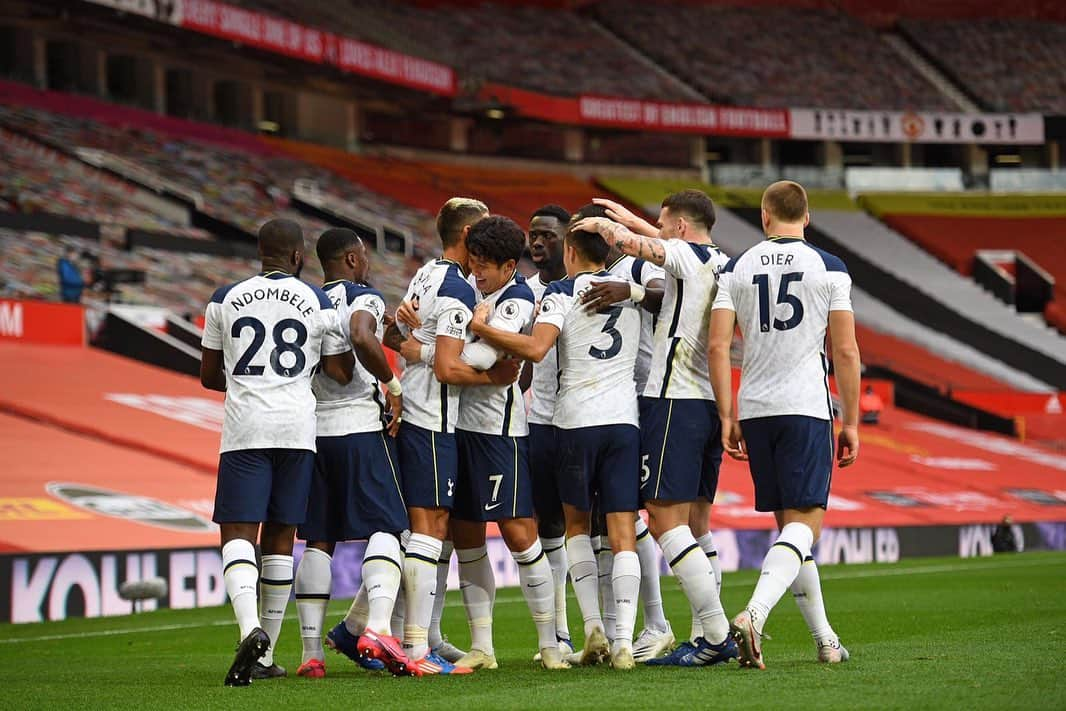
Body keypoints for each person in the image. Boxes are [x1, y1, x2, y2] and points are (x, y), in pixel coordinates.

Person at [469, 204, 643, 670]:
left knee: (576, 528)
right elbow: (669, 289)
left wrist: (482, 327)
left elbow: (537, 348)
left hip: (574, 421)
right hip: (625, 421)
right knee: (623, 532)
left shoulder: (561, 292)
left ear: (569, 250)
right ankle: (625, 641)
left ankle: (591, 628)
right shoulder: (632, 291)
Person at [574, 190, 736, 667]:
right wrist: (636, 219)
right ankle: (705, 633)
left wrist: (596, 227)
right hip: (706, 402)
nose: (660, 233)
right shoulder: (719, 259)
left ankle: (716, 633)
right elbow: (661, 242)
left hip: (674, 400)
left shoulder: (681, 253)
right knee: (697, 526)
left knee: (665, 520)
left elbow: (640, 245)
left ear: (682, 227)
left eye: (666, 224)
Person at [402, 216, 568, 670]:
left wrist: (423, 347)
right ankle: (483, 648)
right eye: (472, 263)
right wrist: (426, 338)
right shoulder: (474, 292)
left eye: (485, 266)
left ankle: (552, 643)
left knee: (519, 534)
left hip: (500, 434)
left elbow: (480, 358)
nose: (476, 272)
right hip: (461, 430)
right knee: (468, 538)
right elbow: (451, 349)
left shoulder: (514, 298)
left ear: (508, 265)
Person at [708, 181, 861, 669]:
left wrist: (728, 414)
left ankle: (826, 641)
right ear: (807, 217)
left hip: (755, 407)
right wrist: (851, 421)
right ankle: (753, 614)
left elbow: (717, 346)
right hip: (805, 406)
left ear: (765, 215)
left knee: (790, 536)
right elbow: (846, 351)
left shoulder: (737, 266)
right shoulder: (829, 268)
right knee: (804, 528)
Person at [199, 218, 354, 687]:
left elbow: (209, 375)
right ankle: (265, 650)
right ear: (298, 256)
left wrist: (252, 382)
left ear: (260, 253)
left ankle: (251, 632)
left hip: (247, 427)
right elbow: (337, 370)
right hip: (298, 428)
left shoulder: (224, 298)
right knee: (282, 537)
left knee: (239, 534)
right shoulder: (318, 298)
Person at [385, 198, 519, 675]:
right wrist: (496, 378)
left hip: (421, 415)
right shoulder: (459, 287)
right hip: (435, 419)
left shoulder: (425, 275)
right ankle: (414, 648)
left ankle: (419, 638)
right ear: (467, 236)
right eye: (482, 234)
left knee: (429, 533)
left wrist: (411, 344)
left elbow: (393, 335)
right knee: (429, 530)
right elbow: (446, 366)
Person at [288, 229, 415, 679]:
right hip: (360, 427)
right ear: (351, 258)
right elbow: (362, 336)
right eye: (363, 256)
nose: (368, 263)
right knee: (389, 525)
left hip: (312, 430)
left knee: (319, 539)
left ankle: (311, 655)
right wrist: (392, 384)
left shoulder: (305, 301)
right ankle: (377, 628)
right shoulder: (363, 296)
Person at [579, 217, 669, 659]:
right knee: (608, 517)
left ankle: (656, 623)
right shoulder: (576, 282)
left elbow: (665, 293)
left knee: (633, 513)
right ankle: (618, 632)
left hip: (646, 398)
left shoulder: (635, 268)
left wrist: (631, 292)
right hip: (610, 404)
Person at [523, 205, 574, 658]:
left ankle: (628, 628)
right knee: (551, 526)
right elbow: (522, 361)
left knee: (607, 527)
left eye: (547, 236)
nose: (537, 243)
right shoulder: (523, 291)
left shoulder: (591, 288)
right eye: (533, 236)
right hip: (540, 421)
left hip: (587, 419)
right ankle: (559, 631)